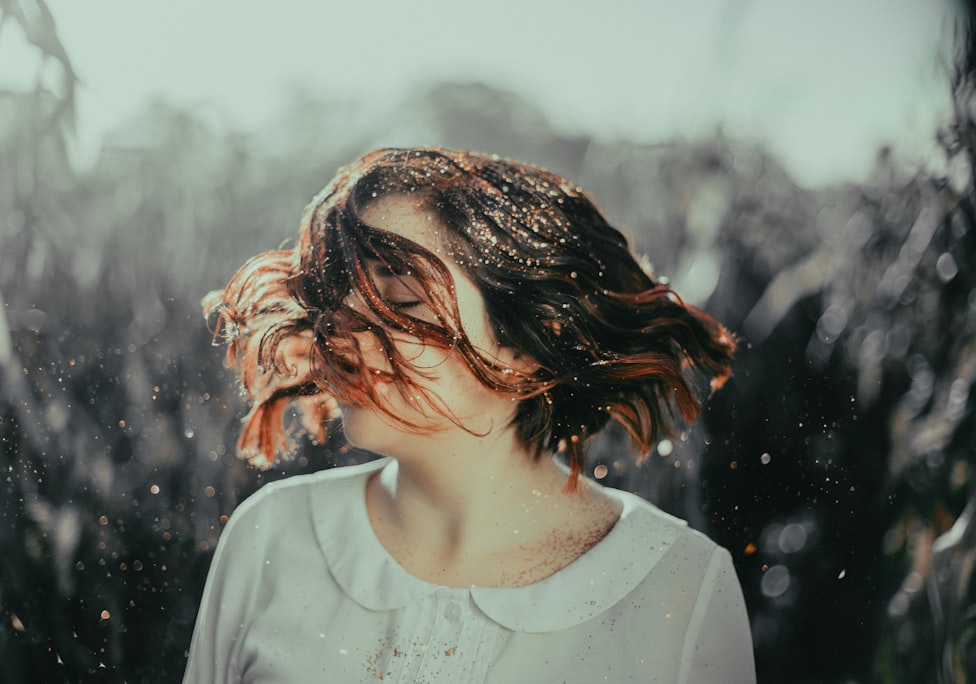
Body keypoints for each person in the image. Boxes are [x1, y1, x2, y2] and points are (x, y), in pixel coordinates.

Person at [183, 147, 756, 683]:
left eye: (401, 301)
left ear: (529, 342)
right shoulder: (271, 539)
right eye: (337, 299)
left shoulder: (681, 590)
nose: (340, 335)